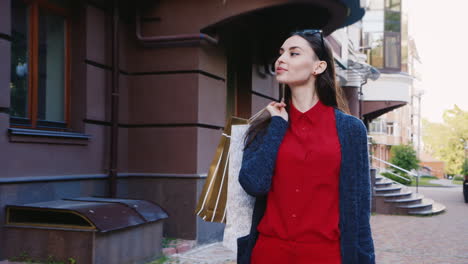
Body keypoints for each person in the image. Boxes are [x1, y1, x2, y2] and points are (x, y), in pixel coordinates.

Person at [237, 29, 375, 264]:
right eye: (281, 53)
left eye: (293, 53)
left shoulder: (351, 130)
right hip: (269, 253)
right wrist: (278, 126)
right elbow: (254, 184)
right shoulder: (266, 124)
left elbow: (359, 207)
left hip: (326, 255)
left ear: (318, 67)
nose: (281, 59)